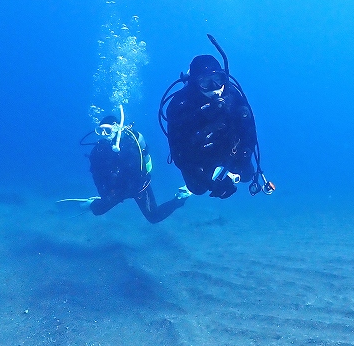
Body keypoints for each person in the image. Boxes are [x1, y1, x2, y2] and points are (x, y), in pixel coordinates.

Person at [158, 34, 274, 199]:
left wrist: (244, 154)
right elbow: (179, 156)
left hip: (229, 148)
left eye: (218, 80)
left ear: (224, 78)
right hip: (198, 156)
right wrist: (211, 184)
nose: (214, 88)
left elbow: (250, 133)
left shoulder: (233, 96)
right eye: (205, 82)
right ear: (194, 83)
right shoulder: (179, 105)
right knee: (198, 189)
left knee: (247, 176)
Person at [60, 107, 191, 223]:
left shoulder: (130, 143)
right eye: (100, 131)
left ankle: (180, 198)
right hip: (118, 190)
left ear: (117, 128)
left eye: (108, 130)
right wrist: (104, 194)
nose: (105, 135)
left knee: (154, 217)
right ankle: (89, 204)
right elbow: (96, 174)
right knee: (99, 211)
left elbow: (141, 167)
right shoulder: (98, 151)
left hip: (139, 186)